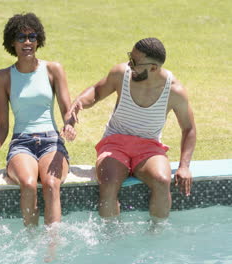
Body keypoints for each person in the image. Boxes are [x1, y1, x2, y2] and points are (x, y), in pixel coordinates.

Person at [70, 38, 196, 222]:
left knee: (162, 181)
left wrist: (184, 167)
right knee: (109, 182)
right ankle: (111, 236)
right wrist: (78, 103)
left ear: (153, 68)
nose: (130, 64)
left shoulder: (174, 91)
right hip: (114, 142)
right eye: (130, 57)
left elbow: (189, 128)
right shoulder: (121, 74)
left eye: (135, 62)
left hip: (149, 147)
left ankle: (156, 236)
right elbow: (97, 92)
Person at [0, 13, 76, 227]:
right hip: (21, 143)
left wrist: (69, 125)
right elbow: (2, 125)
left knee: (51, 184)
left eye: (32, 37)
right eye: (21, 37)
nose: (27, 42)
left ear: (39, 39)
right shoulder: (3, 77)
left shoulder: (53, 69)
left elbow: (66, 109)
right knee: (28, 184)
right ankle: (31, 242)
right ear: (11, 42)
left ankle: (53, 248)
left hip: (51, 141)